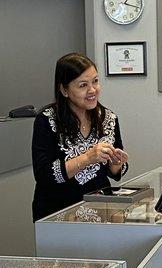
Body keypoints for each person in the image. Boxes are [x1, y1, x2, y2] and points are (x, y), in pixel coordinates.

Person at [32, 53, 128, 222]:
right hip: (57, 213)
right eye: (83, 85)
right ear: (64, 90)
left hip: (100, 211)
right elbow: (44, 175)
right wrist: (88, 158)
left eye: (96, 81)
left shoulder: (108, 118)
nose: (92, 90)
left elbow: (113, 173)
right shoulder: (46, 120)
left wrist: (116, 164)